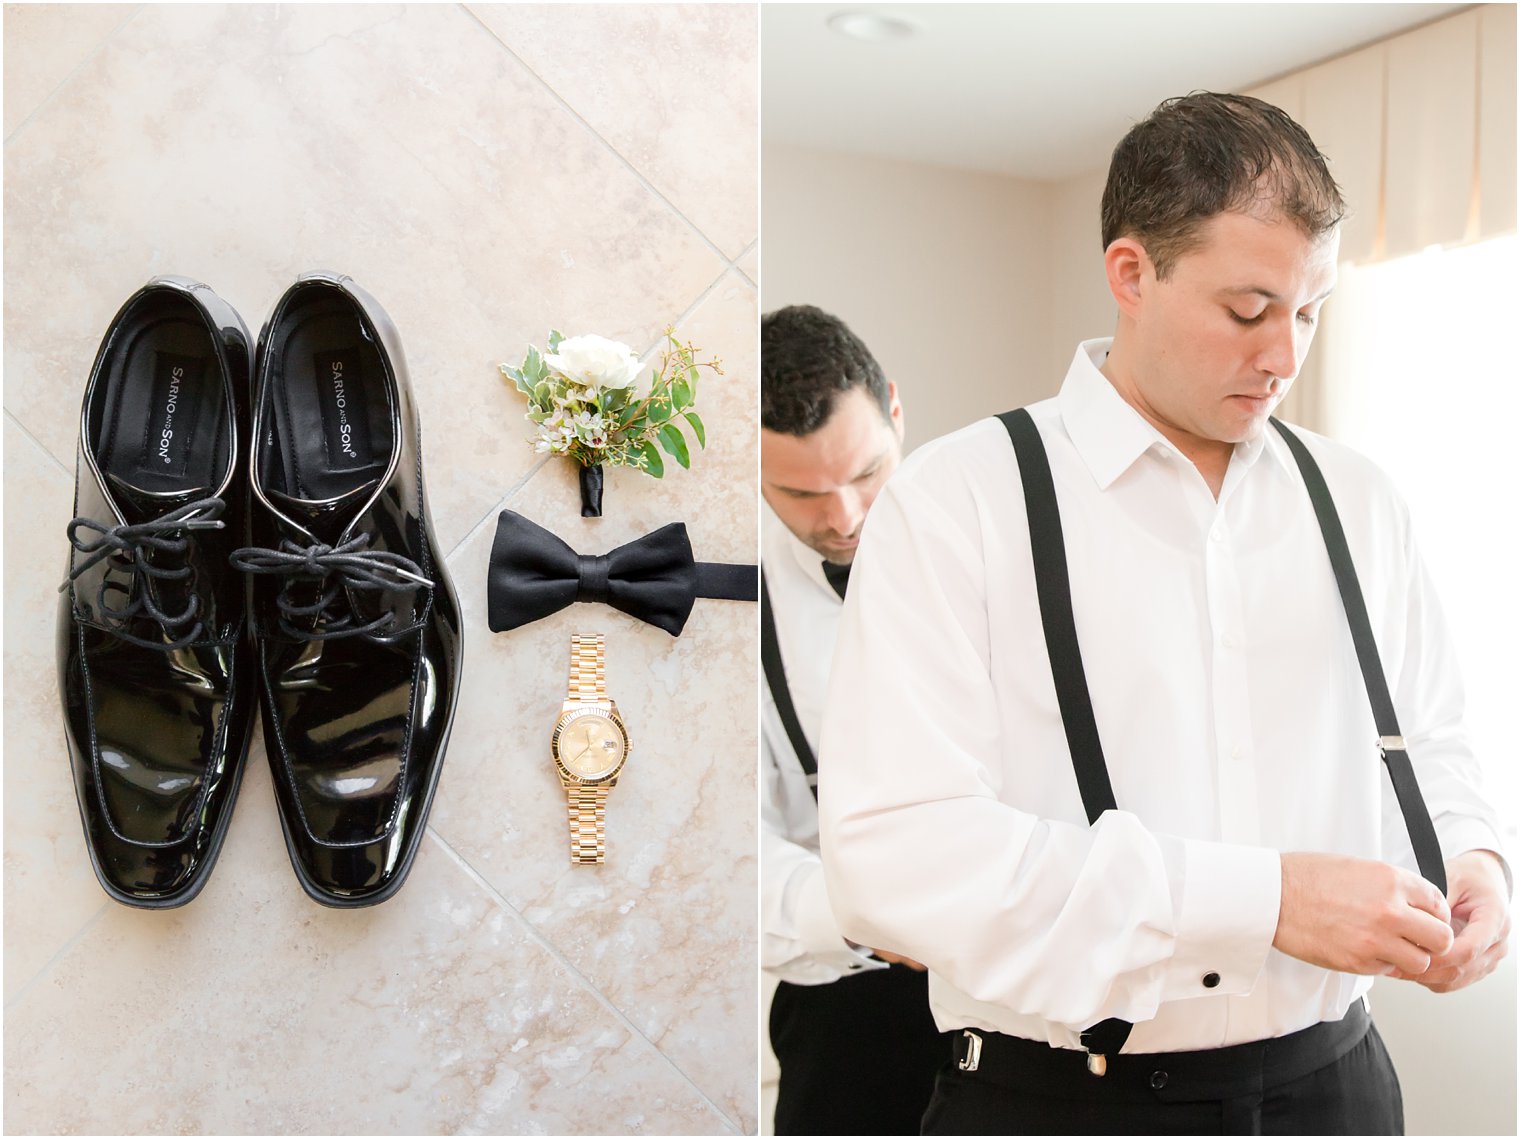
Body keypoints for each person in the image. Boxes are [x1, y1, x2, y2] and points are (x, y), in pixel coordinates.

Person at [816, 93, 1512, 1135]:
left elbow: (1429, 740)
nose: (1284, 353)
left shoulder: (1359, 498)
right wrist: (1261, 899)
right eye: (1247, 308)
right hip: (1057, 1103)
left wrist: (1469, 860)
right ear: (1130, 274)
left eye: (1311, 309)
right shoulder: (958, 500)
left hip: (1339, 1090)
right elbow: (893, 859)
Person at [760, 304, 949, 1135]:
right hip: (850, 1011)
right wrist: (853, 913)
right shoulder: (725, 599)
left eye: (867, 472)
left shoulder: (997, 543)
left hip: (1028, 1000)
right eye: (799, 491)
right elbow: (728, 843)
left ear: (896, 412)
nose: (841, 515)